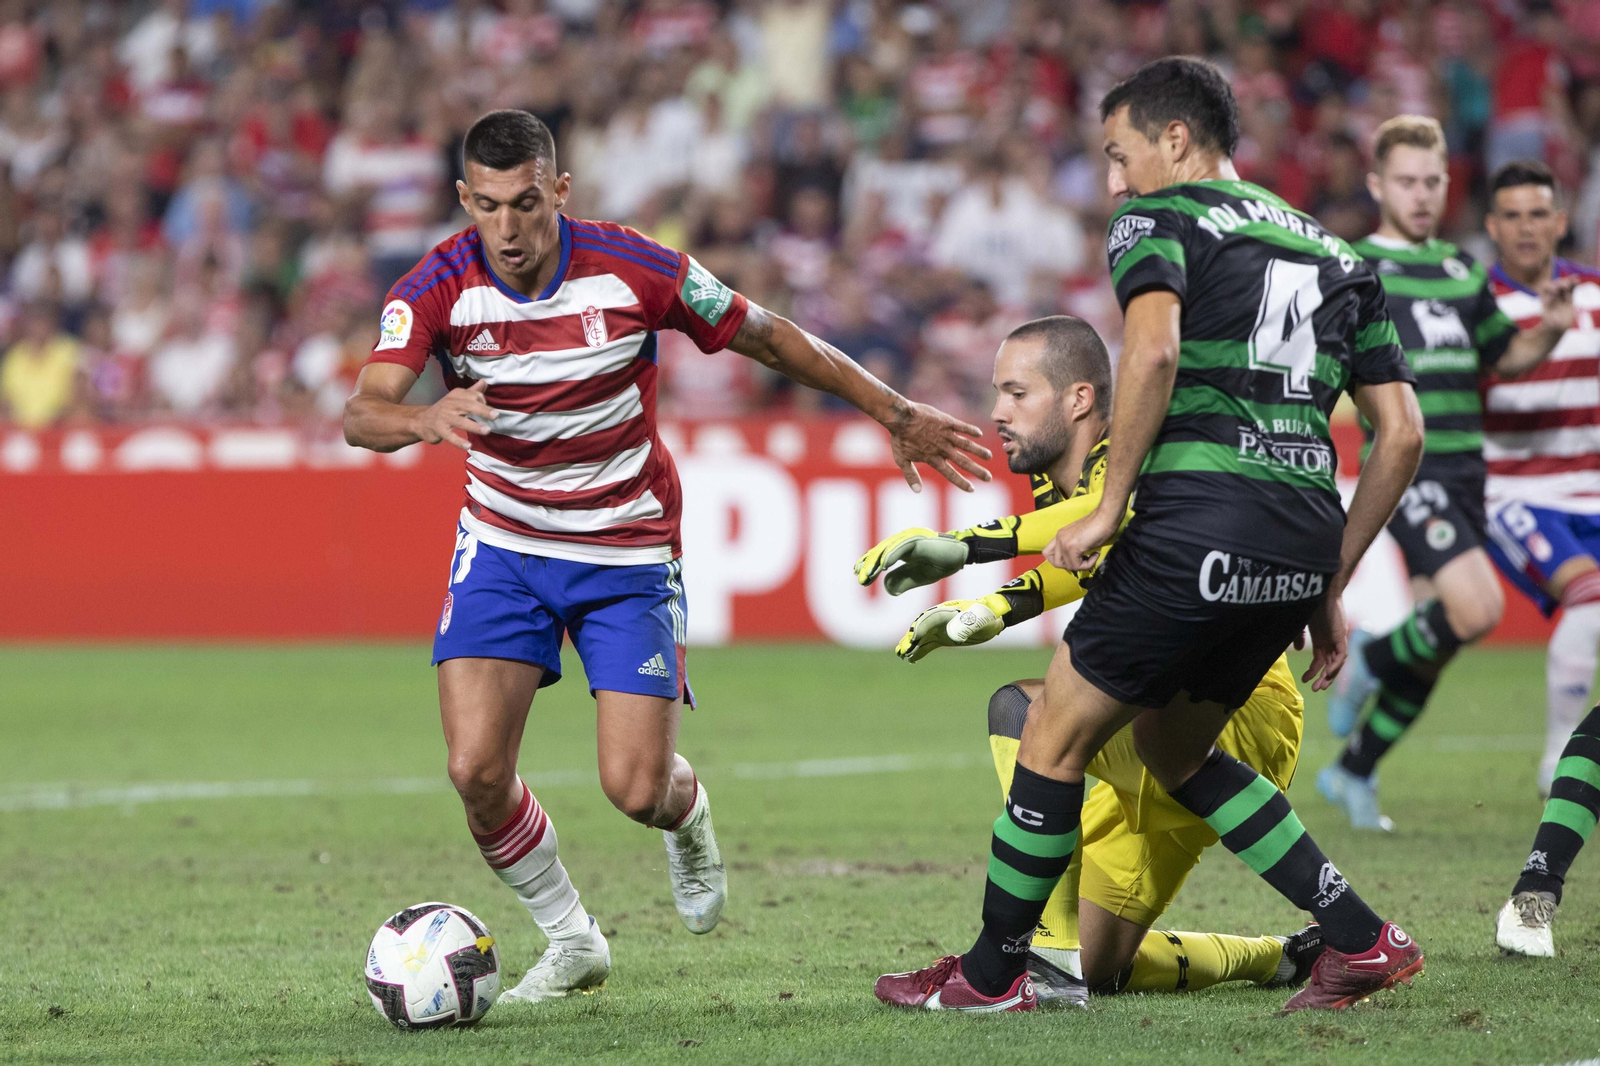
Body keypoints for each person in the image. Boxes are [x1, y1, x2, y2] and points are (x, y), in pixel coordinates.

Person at [341, 109, 990, 1004]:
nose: (509, 228)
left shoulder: (634, 267)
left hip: (626, 550)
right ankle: (573, 939)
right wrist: (424, 418)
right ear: (465, 200)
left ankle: (687, 819)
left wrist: (892, 409)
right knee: (474, 772)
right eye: (488, 207)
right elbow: (361, 412)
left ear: (559, 191)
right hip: (503, 544)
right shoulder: (437, 287)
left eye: (526, 203)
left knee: (636, 789)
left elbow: (765, 333)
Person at [871, 57, 1426, 1015]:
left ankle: (994, 977)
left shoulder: (1159, 220)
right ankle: (1360, 939)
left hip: (1197, 524)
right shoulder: (1343, 258)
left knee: (1048, 731)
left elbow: (1156, 350)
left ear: (1177, 139)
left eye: (1119, 155)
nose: (1115, 182)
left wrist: (1105, 499)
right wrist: (1329, 581)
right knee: (1176, 752)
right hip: (1300, 536)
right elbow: (1402, 434)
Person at [855, 316, 1324, 1006]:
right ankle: (1282, 957)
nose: (996, 413)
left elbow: (1112, 516)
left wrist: (969, 548)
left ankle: (1031, 964)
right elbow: (1092, 553)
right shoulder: (1060, 483)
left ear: (1078, 399)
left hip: (1233, 710)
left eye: (1016, 393)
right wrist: (990, 611)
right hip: (1153, 707)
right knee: (1101, 966)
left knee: (1025, 713)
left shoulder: (1126, 458)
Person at [1320, 118, 1575, 831]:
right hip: (1410, 463)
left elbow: (1505, 356)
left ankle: (1353, 770)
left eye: (1433, 181)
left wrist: (1550, 327)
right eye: (1406, 181)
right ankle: (1368, 655)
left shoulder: (1463, 268)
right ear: (1377, 185)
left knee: (1439, 644)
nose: (1423, 194)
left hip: (1469, 470)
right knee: (1479, 609)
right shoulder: (1354, 265)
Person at [1477, 159, 1600, 956]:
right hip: (1519, 493)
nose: (1526, 225)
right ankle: (1558, 753)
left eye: (1539, 213)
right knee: (1589, 598)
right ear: (1493, 228)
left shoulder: (1594, 291)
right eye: (1511, 215)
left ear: (1560, 221)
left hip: (1594, 494)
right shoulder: (1478, 307)